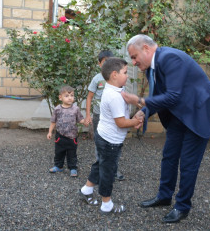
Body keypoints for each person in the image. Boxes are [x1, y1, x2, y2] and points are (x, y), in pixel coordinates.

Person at [121, 34, 210, 223]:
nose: (133, 62)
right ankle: (164, 196)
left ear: (146, 48)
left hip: (198, 112)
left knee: (188, 163)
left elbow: (173, 96)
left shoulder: (170, 58)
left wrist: (138, 101)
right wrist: (143, 112)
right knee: (169, 156)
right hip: (180, 114)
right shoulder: (151, 68)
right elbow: (160, 97)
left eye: (134, 56)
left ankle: (182, 206)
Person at [79, 57, 142, 214]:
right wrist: (134, 121)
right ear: (114, 74)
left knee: (101, 163)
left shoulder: (114, 89)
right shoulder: (113, 96)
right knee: (108, 170)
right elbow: (120, 123)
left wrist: (136, 104)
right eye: (125, 72)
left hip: (103, 135)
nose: (127, 75)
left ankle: (87, 190)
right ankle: (106, 204)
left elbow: (125, 98)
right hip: (110, 141)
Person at [84, 50, 125, 181]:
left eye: (109, 61)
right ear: (99, 64)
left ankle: (113, 170)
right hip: (99, 116)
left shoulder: (117, 79)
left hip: (113, 118)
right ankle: (101, 169)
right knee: (100, 144)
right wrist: (88, 115)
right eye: (104, 62)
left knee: (114, 144)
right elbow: (89, 97)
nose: (107, 64)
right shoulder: (97, 79)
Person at [47, 85, 87, 177]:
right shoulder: (57, 109)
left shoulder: (75, 109)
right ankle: (58, 166)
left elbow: (80, 120)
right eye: (67, 96)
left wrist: (85, 121)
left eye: (72, 95)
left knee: (72, 153)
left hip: (72, 137)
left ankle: (73, 168)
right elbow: (53, 121)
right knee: (58, 152)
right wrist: (50, 132)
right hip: (60, 136)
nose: (70, 98)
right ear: (60, 97)